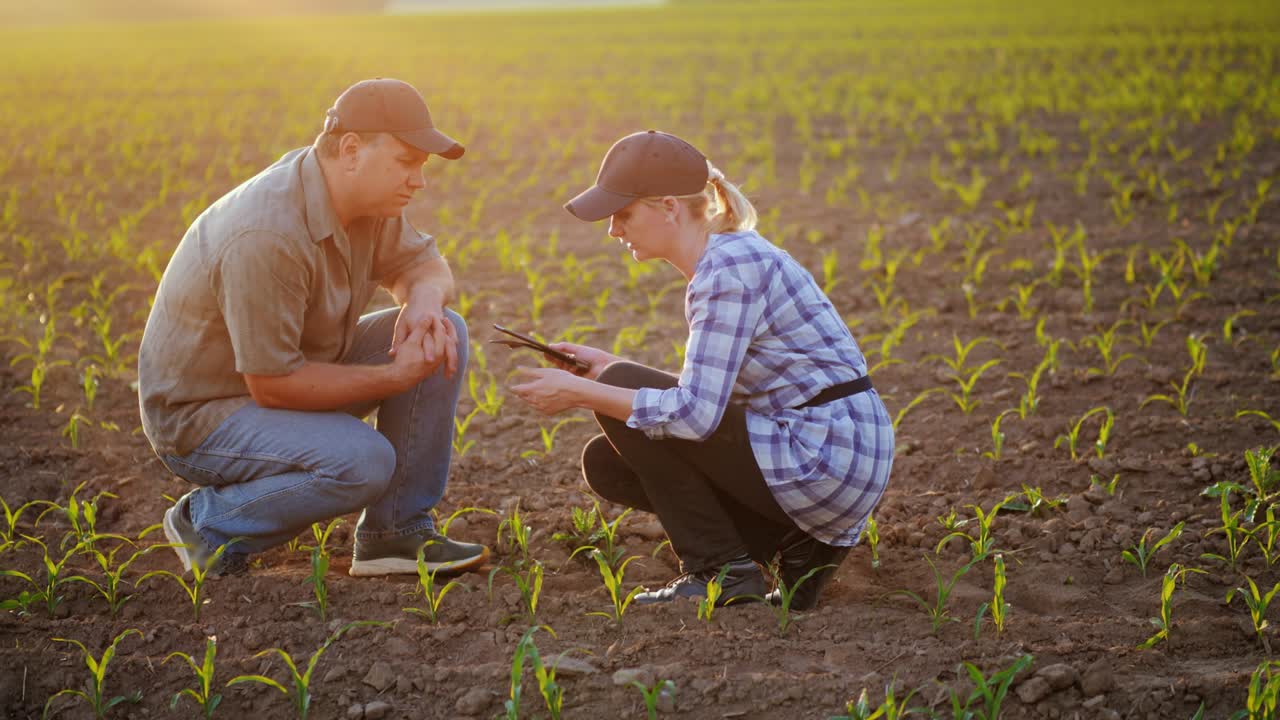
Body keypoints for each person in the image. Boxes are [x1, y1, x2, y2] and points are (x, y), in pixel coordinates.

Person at [510, 130, 894, 610]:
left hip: (824, 456)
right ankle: (799, 548)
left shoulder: (724, 272)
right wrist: (605, 368)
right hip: (839, 453)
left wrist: (583, 392)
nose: (613, 230)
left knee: (621, 398)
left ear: (668, 207)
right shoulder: (734, 254)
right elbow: (709, 393)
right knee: (608, 458)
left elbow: (695, 416)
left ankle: (719, 572)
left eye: (623, 213)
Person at [137, 78, 488, 577]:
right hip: (205, 414)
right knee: (362, 461)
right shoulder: (267, 233)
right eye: (407, 162)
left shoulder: (365, 200)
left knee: (442, 328)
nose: (419, 180)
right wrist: (393, 378)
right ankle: (207, 523)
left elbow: (424, 265)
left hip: (289, 375)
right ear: (350, 149)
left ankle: (397, 535)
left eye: (422, 167)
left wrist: (425, 304)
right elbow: (274, 385)